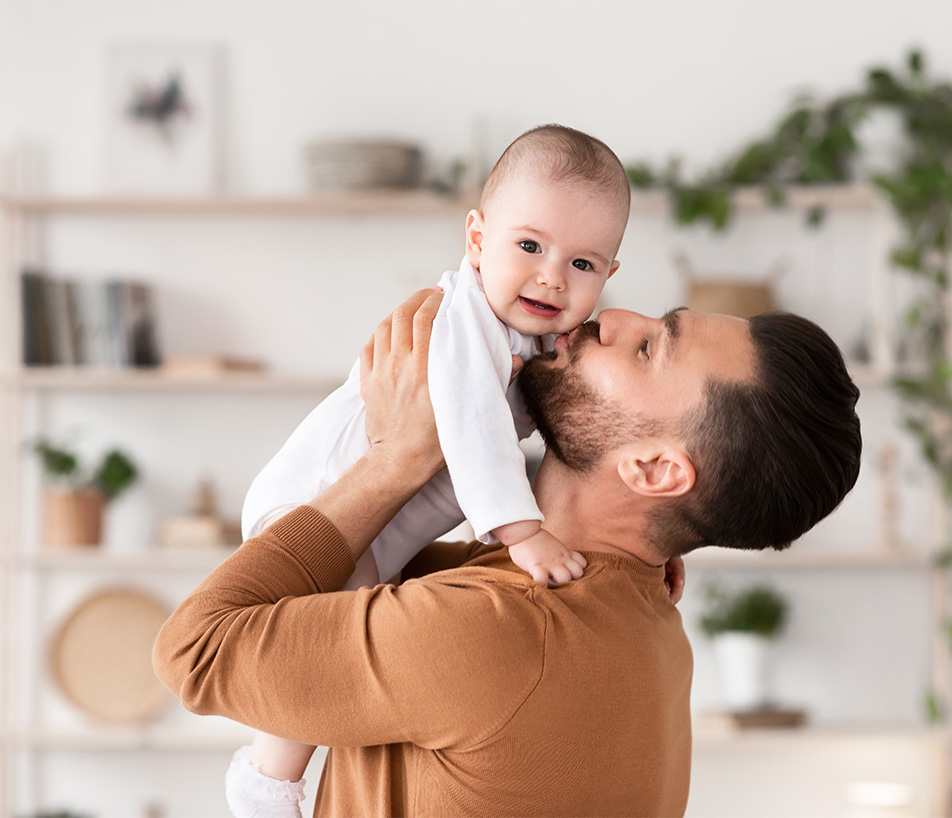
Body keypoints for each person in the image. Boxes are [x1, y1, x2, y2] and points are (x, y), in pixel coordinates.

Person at [153, 288, 862, 817]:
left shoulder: (501, 632)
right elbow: (375, 591)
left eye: (649, 348)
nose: (611, 317)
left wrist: (398, 458)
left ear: (653, 472)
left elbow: (196, 650)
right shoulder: (643, 621)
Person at [227, 124, 631, 818]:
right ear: (477, 239)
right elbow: (475, 428)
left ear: (608, 275)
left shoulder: (537, 342)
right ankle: (266, 780)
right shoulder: (464, 320)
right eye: (529, 246)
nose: (551, 276)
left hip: (380, 530)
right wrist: (522, 531)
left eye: (582, 265)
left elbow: (571, 430)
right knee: (335, 639)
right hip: (320, 501)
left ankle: (278, 774)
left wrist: (634, 536)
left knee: (352, 637)